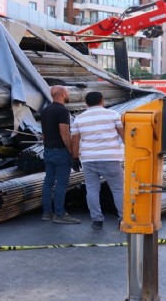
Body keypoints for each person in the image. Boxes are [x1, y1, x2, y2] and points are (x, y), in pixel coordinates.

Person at [71, 91, 125, 230]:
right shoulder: (113, 114)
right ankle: (123, 218)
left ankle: (97, 220)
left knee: (92, 190)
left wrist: (75, 157)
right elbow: (123, 134)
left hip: (88, 159)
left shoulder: (79, 118)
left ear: (86, 103)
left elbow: (75, 140)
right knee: (118, 189)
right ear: (102, 101)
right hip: (110, 158)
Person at [40, 85, 81, 224]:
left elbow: (44, 134)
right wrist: (73, 153)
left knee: (48, 182)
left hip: (48, 150)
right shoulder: (62, 111)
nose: (68, 93)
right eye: (67, 91)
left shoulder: (45, 111)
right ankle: (59, 214)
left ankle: (46, 213)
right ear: (63, 94)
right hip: (61, 152)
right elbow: (65, 133)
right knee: (61, 184)